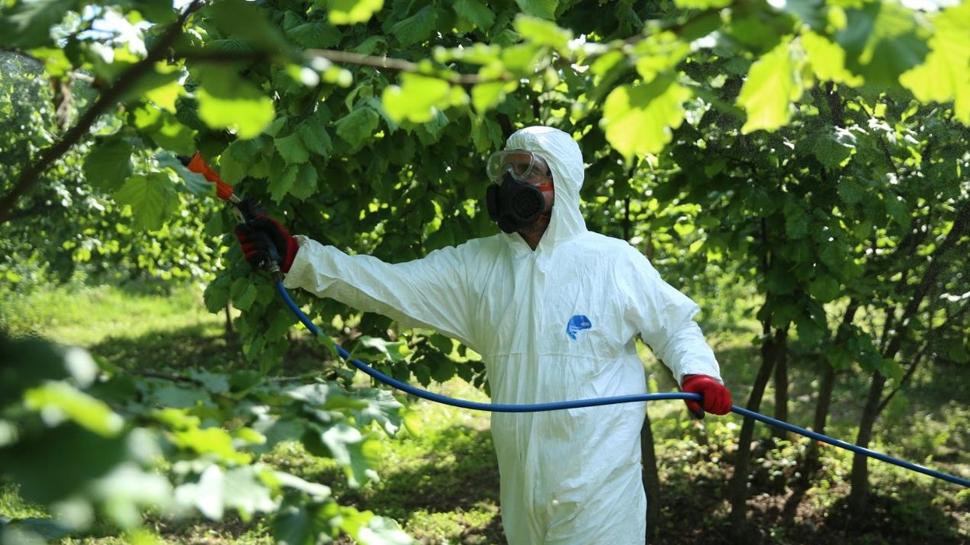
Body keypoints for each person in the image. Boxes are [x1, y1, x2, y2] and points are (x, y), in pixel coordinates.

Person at [236, 126, 732, 545]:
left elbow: (674, 325)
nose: (513, 182)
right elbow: (386, 283)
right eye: (508, 172)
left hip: (600, 491)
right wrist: (300, 259)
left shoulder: (612, 262)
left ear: (562, 183)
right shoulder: (476, 266)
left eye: (529, 171)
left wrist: (699, 372)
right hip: (522, 490)